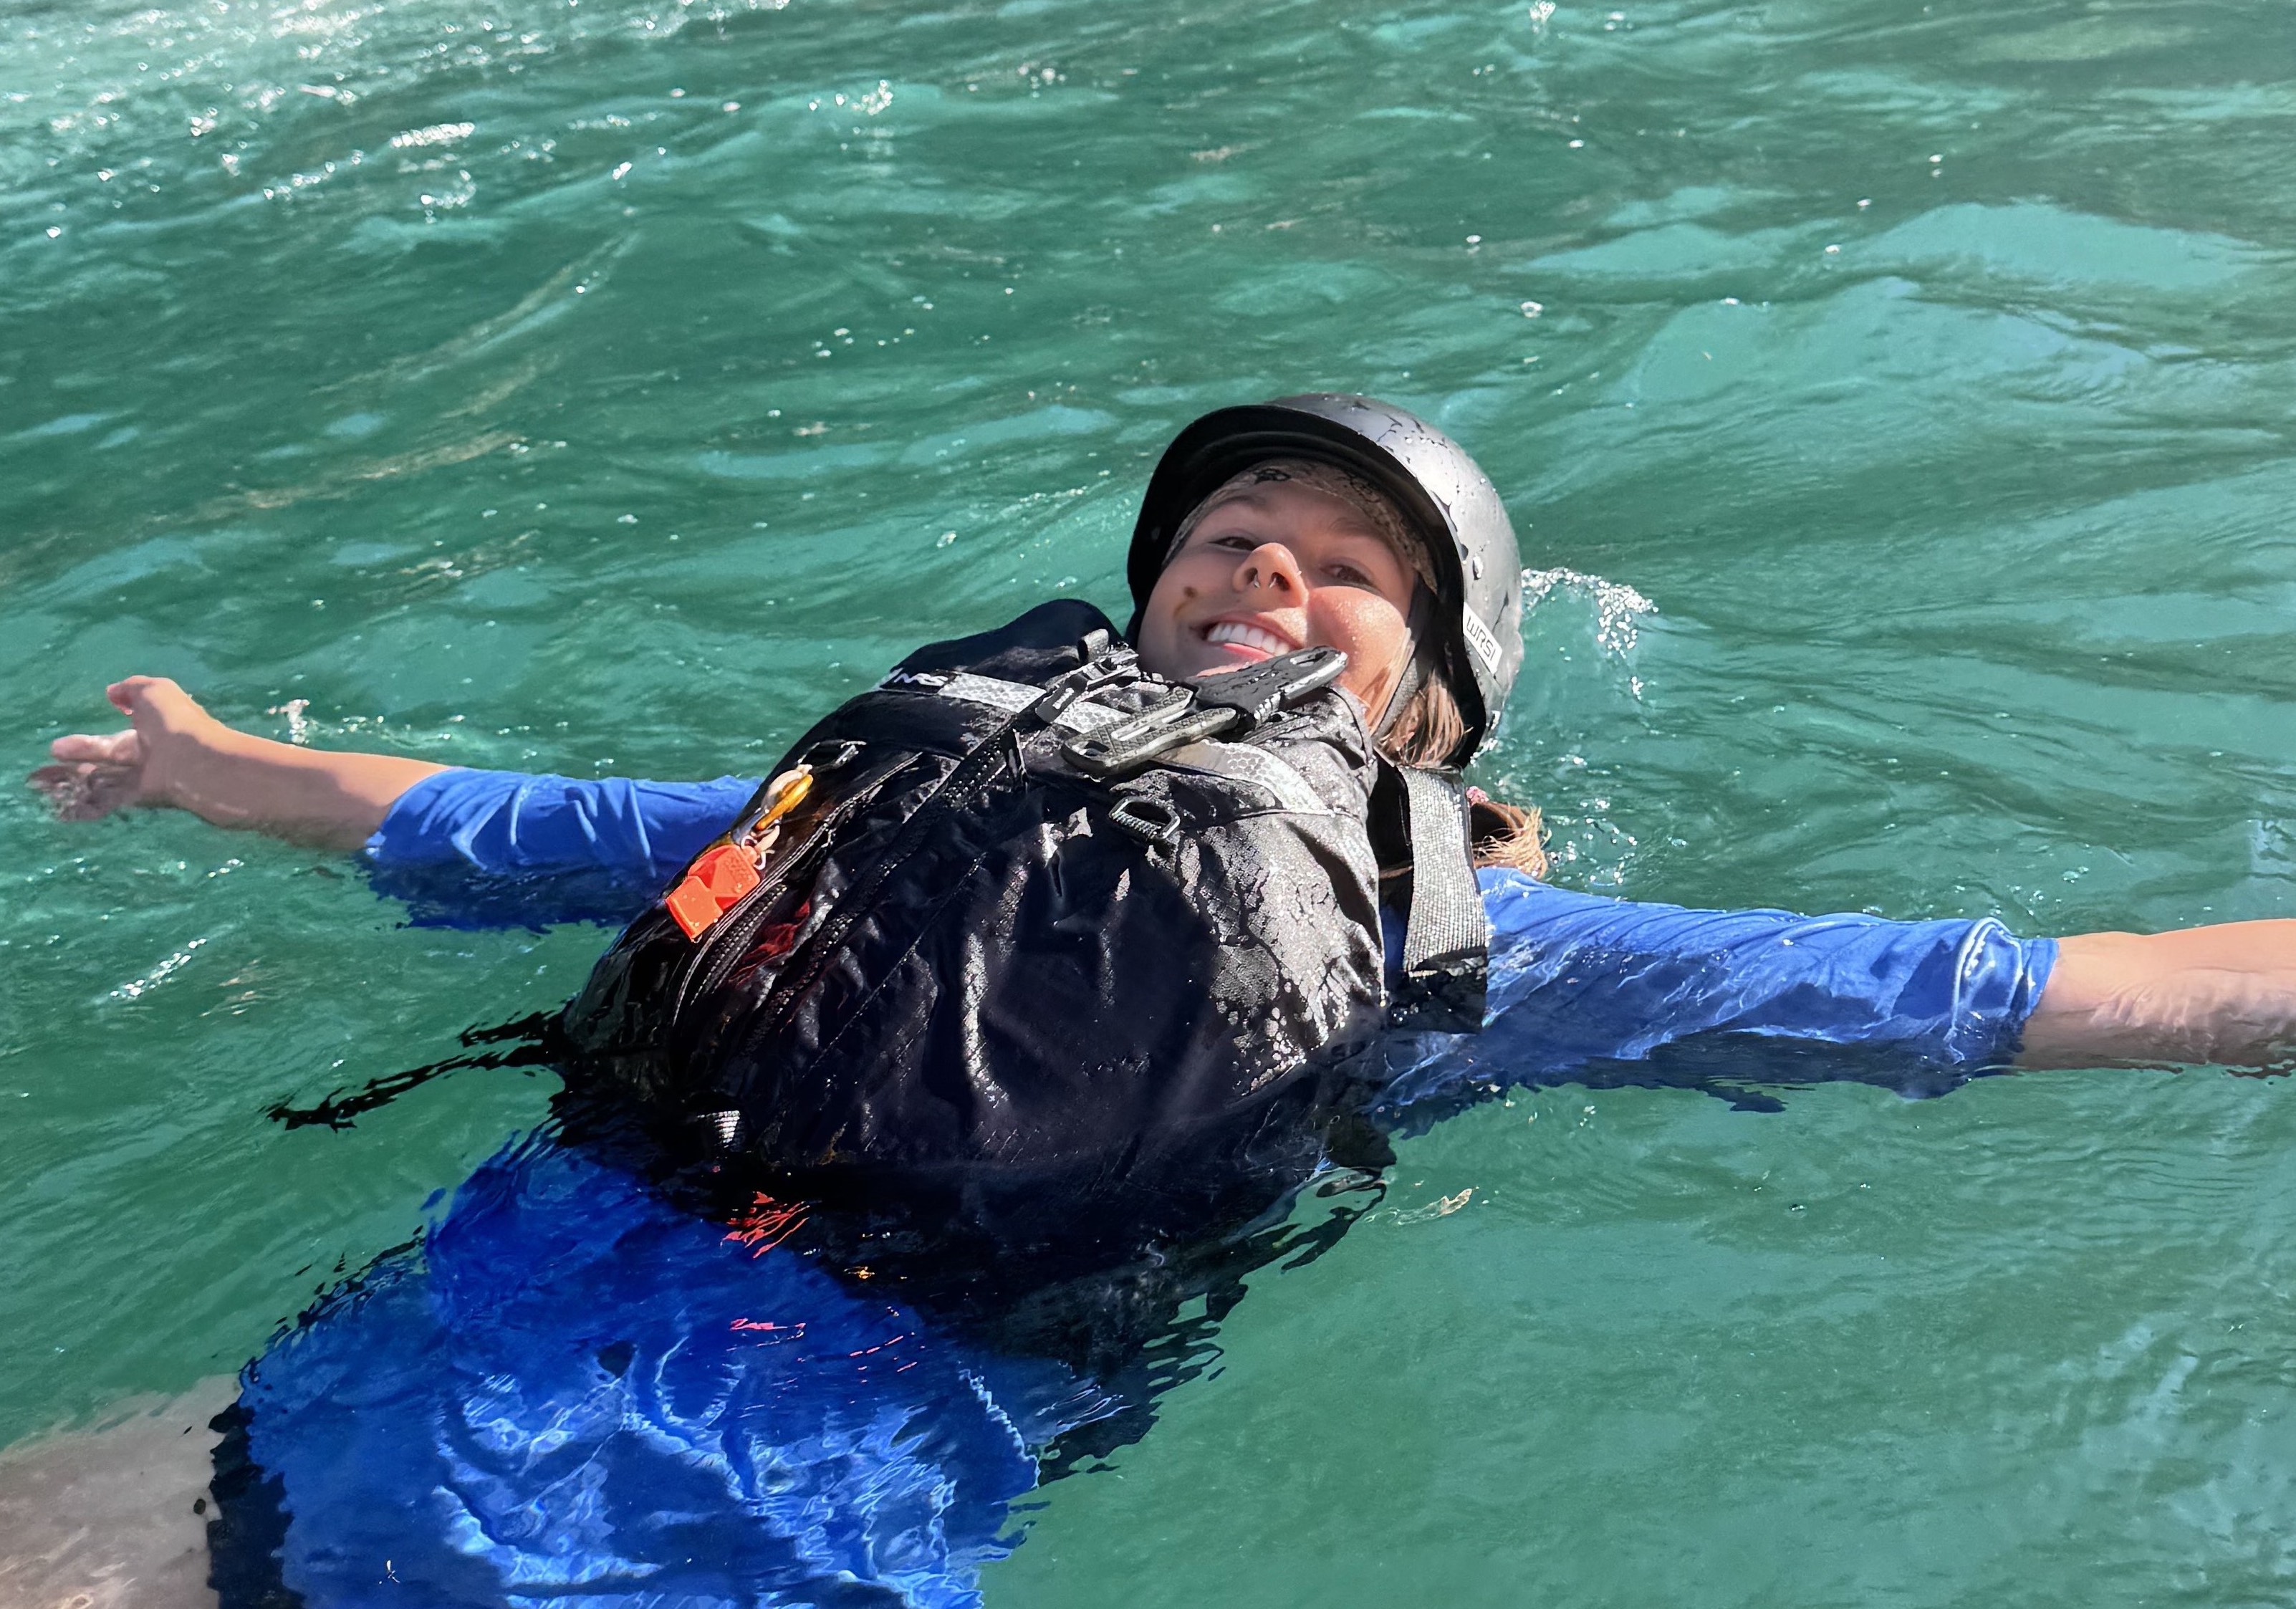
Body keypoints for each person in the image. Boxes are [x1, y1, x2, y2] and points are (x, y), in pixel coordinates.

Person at [25, 395, 2296, 1606]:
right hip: (467, 1309)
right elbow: (522, 824)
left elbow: (1951, 992)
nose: (1264, 566)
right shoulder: (914, 782)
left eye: (1347, 564)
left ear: (1444, 702)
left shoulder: (1463, 952)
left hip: (780, 1477)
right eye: (1229, 535)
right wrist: (227, 775)